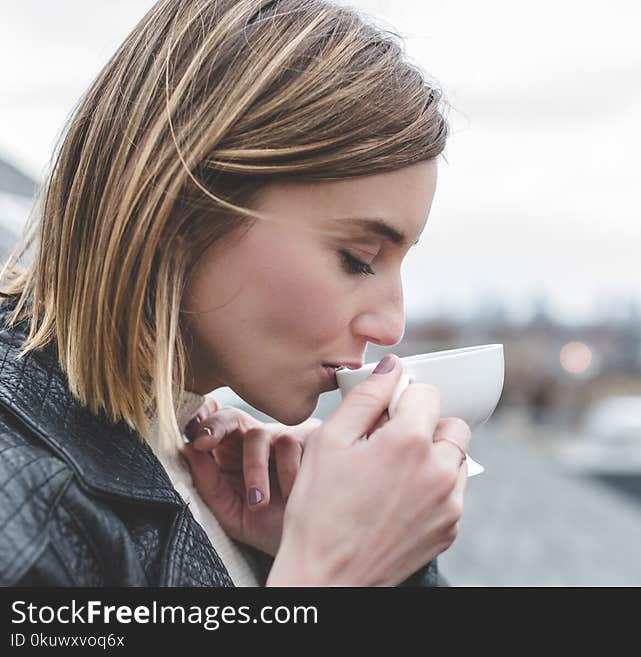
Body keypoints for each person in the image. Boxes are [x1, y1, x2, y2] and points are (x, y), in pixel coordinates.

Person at [0, 0, 471, 587]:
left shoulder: (206, 471)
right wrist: (332, 575)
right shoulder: (23, 515)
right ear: (182, 209)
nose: (390, 325)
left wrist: (335, 552)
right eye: (359, 259)